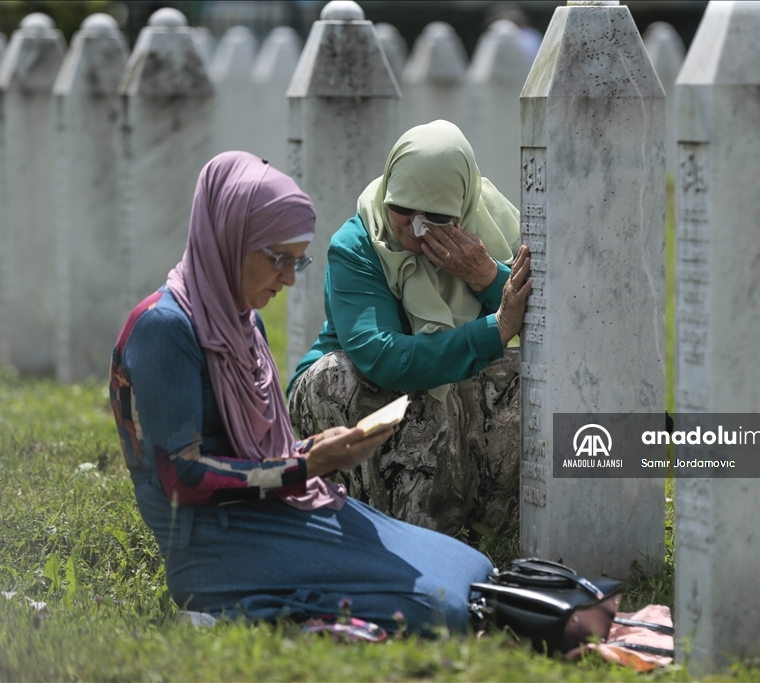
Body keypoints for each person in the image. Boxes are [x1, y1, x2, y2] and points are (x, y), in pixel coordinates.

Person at [109, 151, 493, 633]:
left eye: (298, 261)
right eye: (278, 260)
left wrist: (315, 453)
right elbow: (179, 479)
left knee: (469, 567)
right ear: (229, 241)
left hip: (277, 506)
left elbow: (252, 450)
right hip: (213, 544)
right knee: (442, 609)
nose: (289, 279)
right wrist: (303, 466)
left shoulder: (240, 323)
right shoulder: (165, 329)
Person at [286, 121, 532, 537]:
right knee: (334, 377)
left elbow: (549, 328)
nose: (416, 228)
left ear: (465, 203)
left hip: (449, 401)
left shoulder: (493, 229)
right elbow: (381, 356)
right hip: (368, 403)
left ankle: (482, 518)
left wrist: (487, 277)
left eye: (436, 215)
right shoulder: (358, 244)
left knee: (525, 378)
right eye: (402, 209)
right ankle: (374, 525)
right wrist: (493, 330)